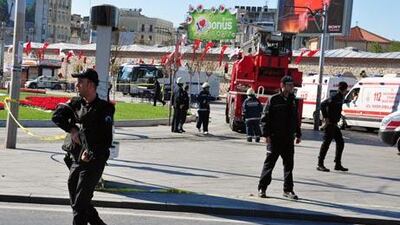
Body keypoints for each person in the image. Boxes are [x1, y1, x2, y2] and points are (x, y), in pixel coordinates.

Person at [52, 69, 114, 225]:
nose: (77, 85)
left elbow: (106, 140)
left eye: (80, 82)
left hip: (93, 161)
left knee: (80, 205)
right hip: (76, 159)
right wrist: (72, 129)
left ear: (91, 85)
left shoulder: (104, 108)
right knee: (79, 203)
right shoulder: (76, 103)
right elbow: (56, 116)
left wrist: (91, 152)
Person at [258, 76, 302, 200]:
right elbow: (264, 119)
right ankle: (262, 188)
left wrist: (298, 134)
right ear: (282, 86)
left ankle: (288, 190)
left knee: (289, 166)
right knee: (269, 164)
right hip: (275, 138)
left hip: (288, 139)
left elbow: (295, 119)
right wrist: (266, 135)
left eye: (292, 85)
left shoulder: (293, 100)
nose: (292, 87)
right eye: (289, 85)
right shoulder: (273, 100)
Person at [317, 81, 349, 172]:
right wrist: (326, 117)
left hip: (335, 125)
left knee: (340, 142)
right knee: (326, 144)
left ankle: (337, 164)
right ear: (345, 89)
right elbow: (323, 104)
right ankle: (320, 164)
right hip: (330, 124)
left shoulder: (340, 97)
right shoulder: (335, 96)